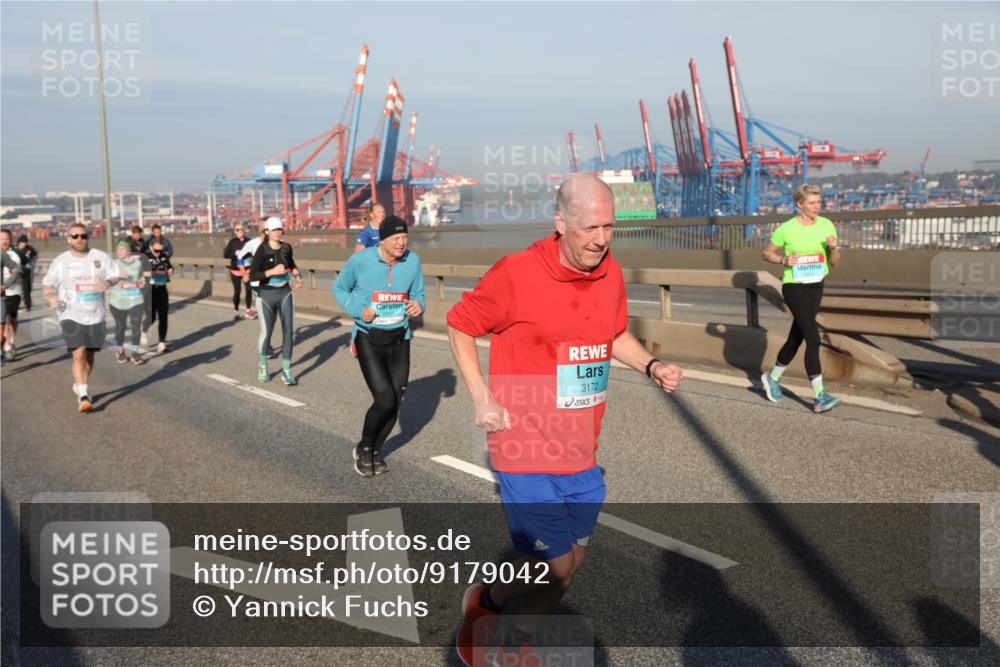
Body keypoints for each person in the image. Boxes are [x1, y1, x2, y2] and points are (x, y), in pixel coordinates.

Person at [446, 174, 683, 665]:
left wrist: (651, 365)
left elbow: (613, 334)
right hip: (523, 446)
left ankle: (520, 641)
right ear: (560, 223)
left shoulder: (609, 272)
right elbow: (460, 323)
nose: (600, 239)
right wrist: (481, 397)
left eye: (610, 227)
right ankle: (485, 603)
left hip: (580, 450)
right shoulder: (517, 272)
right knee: (554, 563)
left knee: (572, 562)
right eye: (590, 228)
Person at [334, 215, 425, 477]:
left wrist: (419, 305)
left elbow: (418, 293)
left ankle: (375, 450)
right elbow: (340, 289)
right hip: (368, 338)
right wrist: (358, 309)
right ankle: (364, 447)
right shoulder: (361, 261)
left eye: (405, 237)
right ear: (382, 240)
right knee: (384, 399)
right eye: (396, 238)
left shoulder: (412, 261)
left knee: (395, 402)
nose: (401, 243)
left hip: (400, 338)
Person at [761, 183, 842, 413]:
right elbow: (767, 253)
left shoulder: (827, 225)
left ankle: (773, 377)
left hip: (816, 286)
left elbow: (834, 263)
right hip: (794, 287)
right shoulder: (786, 229)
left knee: (796, 338)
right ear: (799, 204)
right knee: (813, 339)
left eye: (819, 202)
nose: (817, 206)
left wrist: (834, 248)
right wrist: (784, 260)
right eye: (812, 203)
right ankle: (819, 396)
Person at [42, 223, 119, 412]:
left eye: (83, 236)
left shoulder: (100, 257)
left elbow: (116, 275)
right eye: (75, 236)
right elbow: (47, 285)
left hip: (96, 313)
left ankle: (80, 384)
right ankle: (84, 396)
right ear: (69, 239)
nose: (80, 239)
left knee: (90, 357)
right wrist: (51, 297)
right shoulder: (61, 261)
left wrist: (107, 283)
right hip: (69, 313)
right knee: (79, 353)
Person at [249, 217, 303, 385]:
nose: (278, 233)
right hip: (266, 295)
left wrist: (297, 275)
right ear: (267, 232)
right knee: (267, 332)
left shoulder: (286, 247)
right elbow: (253, 275)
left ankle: (286, 371)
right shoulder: (262, 250)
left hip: (285, 292)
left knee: (288, 331)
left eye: (280, 229)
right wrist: (271, 272)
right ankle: (263, 366)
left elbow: (291, 264)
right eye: (274, 230)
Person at [109, 239, 149, 365]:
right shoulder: (113, 264)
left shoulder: (138, 264)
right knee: (121, 328)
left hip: (135, 299)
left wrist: (142, 283)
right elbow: (107, 279)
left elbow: (144, 278)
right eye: (118, 248)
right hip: (118, 301)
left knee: (136, 328)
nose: (119, 251)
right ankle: (120, 351)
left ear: (129, 250)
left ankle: (135, 353)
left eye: (122, 248)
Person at [143, 239, 174, 354]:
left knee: (163, 316)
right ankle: (144, 330)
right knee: (151, 316)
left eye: (161, 251)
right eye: (156, 251)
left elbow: (169, 267)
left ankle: (162, 343)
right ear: (151, 247)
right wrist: (153, 273)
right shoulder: (145, 256)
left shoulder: (163, 256)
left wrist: (169, 271)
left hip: (162, 288)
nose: (158, 253)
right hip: (149, 289)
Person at [223, 223, 256, 320]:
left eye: (242, 229)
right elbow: (225, 254)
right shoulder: (232, 242)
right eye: (237, 229)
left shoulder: (249, 241)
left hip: (247, 269)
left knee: (249, 289)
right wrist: (234, 253)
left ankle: (248, 310)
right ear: (234, 232)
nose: (240, 231)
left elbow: (255, 253)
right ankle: (236, 311)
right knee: (237, 292)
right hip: (235, 270)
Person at [1, 229, 23, 362]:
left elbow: (17, 270)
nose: (4, 241)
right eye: (1, 238)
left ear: (11, 240)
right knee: (3, 320)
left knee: (10, 318)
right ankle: (5, 344)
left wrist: (5, 285)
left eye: (7, 238)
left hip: (13, 290)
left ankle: (11, 341)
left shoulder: (15, 254)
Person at [15, 234, 37, 311]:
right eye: (23, 242)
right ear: (19, 242)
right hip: (18, 273)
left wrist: (32, 263)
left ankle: (28, 304)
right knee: (18, 290)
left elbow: (35, 255)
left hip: (28, 272)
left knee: (28, 289)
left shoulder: (30, 248)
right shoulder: (15, 249)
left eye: (26, 242)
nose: (25, 244)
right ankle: (25, 305)